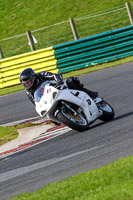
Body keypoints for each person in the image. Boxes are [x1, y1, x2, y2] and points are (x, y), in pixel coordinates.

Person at [19, 68, 98, 106]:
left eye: (28, 82)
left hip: (60, 88)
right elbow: (36, 104)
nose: (27, 85)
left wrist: (59, 82)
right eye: (25, 84)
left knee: (70, 80)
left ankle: (89, 93)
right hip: (51, 100)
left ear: (33, 78)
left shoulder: (41, 75)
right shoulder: (29, 92)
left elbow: (54, 75)